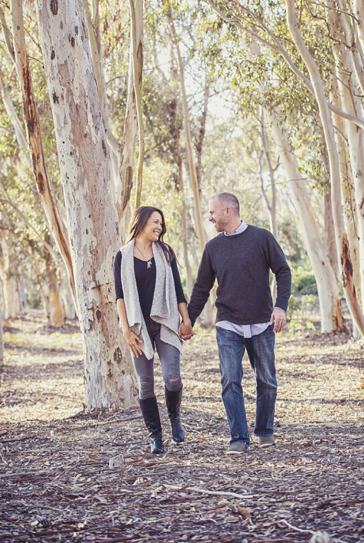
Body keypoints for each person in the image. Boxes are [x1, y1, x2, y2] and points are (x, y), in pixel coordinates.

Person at [181, 192, 291, 455]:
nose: (210, 218)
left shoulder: (261, 237)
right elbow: (201, 288)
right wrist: (188, 321)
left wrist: (280, 307)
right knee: (230, 381)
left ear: (228, 211)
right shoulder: (213, 248)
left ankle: (264, 431)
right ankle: (239, 438)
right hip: (228, 323)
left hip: (261, 323)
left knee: (266, 381)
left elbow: (283, 271)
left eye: (212, 212)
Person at [115, 206, 192, 454]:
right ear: (142, 222)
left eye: (161, 223)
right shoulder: (122, 256)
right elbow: (120, 298)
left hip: (166, 323)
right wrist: (125, 330)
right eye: (155, 222)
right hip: (139, 328)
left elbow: (178, 290)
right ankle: (155, 437)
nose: (159, 227)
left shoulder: (166, 252)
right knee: (145, 383)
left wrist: (186, 319)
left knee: (173, 377)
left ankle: (174, 418)